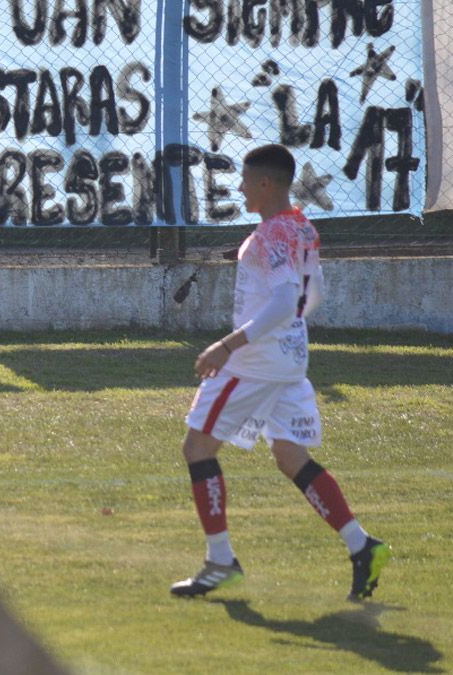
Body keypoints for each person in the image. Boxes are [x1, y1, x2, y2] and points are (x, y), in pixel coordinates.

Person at [170, 144, 390, 601]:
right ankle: (361, 545)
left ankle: (220, 561)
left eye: (246, 181)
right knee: (292, 457)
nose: (240, 187)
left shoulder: (271, 234)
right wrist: (286, 327)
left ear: (266, 184)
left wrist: (227, 345)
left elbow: (286, 296)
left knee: (197, 447)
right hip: (291, 358)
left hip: (255, 362)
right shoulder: (302, 227)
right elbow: (314, 295)